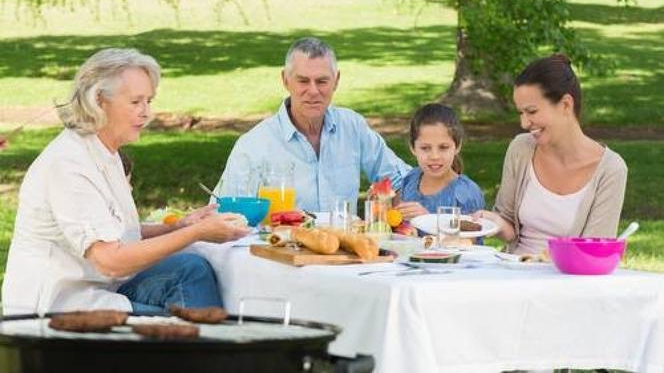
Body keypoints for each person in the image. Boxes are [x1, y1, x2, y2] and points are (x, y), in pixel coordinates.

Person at [2, 48, 250, 315]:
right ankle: (203, 352)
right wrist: (196, 232)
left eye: (149, 101)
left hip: (98, 288)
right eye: (135, 102)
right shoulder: (69, 165)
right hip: (59, 306)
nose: (146, 113)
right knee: (178, 305)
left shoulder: (104, 151)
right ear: (99, 100)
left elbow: (116, 229)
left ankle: (204, 347)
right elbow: (110, 261)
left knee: (190, 268)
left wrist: (178, 225)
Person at [213, 37, 411, 212]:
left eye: (322, 81)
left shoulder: (352, 127)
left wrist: (405, 213)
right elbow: (225, 214)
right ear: (285, 80)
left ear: (336, 81)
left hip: (344, 250)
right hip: (277, 250)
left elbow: (401, 180)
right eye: (303, 81)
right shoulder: (254, 145)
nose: (313, 91)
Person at [475, 54, 627, 255]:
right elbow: (509, 227)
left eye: (531, 111)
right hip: (512, 273)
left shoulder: (610, 169)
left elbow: (594, 252)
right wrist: (495, 222)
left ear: (565, 104)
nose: (524, 123)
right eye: (521, 113)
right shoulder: (521, 149)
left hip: (569, 280)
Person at [396, 103, 485, 219]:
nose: (434, 156)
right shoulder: (410, 180)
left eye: (443, 147)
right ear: (413, 148)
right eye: (425, 148)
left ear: (457, 146)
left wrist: (427, 220)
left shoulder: (467, 193)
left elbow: (470, 236)